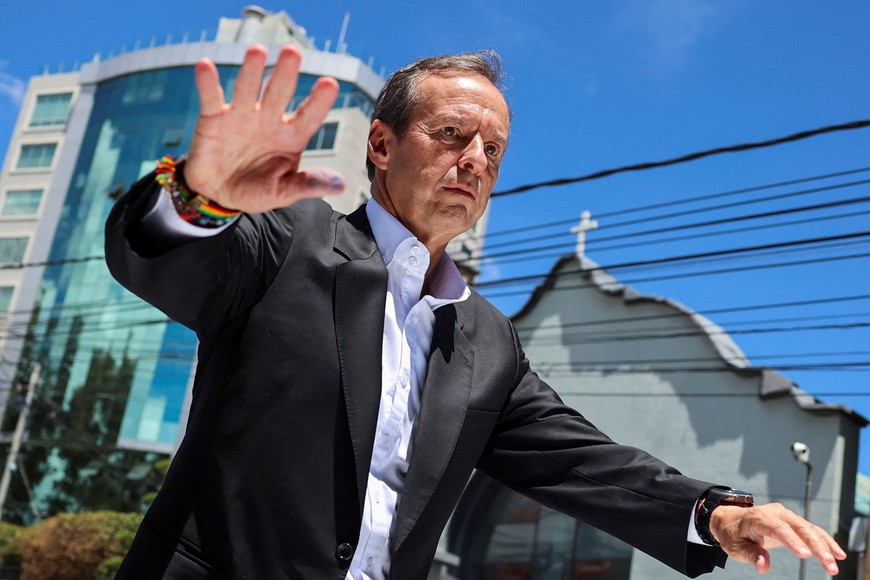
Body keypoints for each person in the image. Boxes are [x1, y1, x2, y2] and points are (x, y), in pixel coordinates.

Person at [105, 44, 846, 579]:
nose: (476, 160)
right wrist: (203, 192)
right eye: (452, 134)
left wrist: (715, 512)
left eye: (493, 148)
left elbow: (580, 460)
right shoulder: (290, 241)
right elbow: (157, 258)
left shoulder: (486, 340)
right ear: (382, 145)